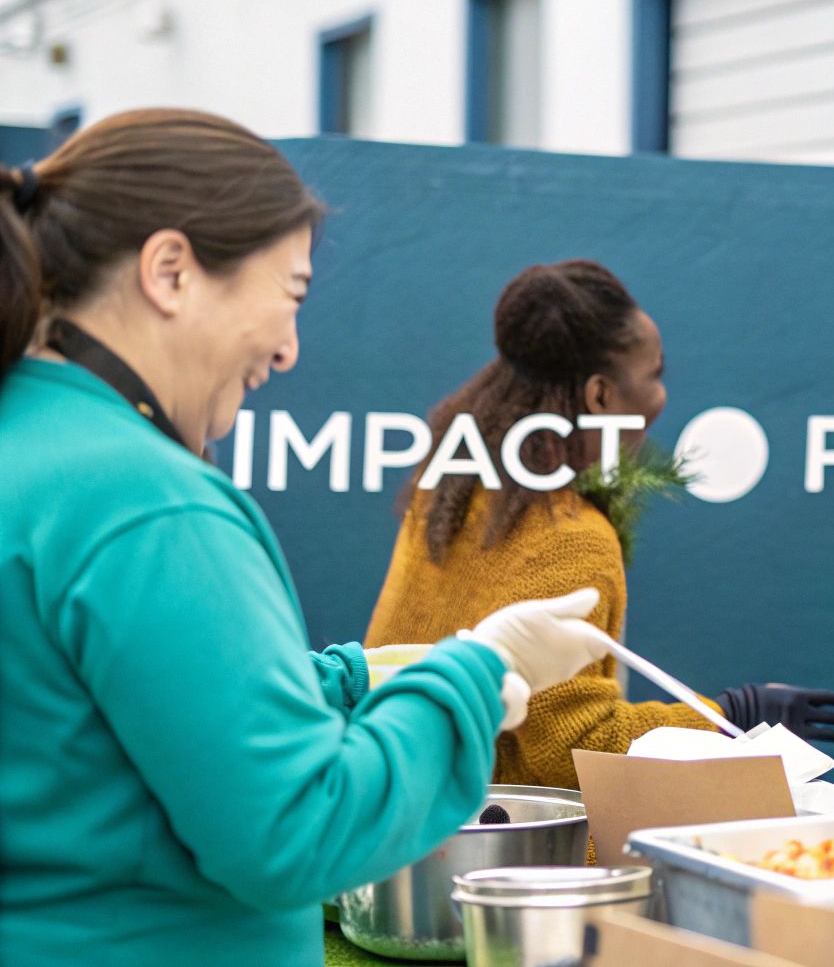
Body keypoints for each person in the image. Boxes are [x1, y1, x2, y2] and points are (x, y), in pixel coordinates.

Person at [0, 110, 611, 967]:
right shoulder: (147, 504)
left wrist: (376, 676)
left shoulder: (25, 437)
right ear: (170, 271)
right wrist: (476, 681)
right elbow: (298, 831)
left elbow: (120, 730)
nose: (288, 351)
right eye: (288, 294)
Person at [366, 259, 834, 790]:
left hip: (404, 815)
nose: (662, 396)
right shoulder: (570, 534)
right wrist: (731, 717)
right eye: (656, 374)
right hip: (503, 847)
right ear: (601, 395)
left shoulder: (458, 487)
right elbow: (573, 747)